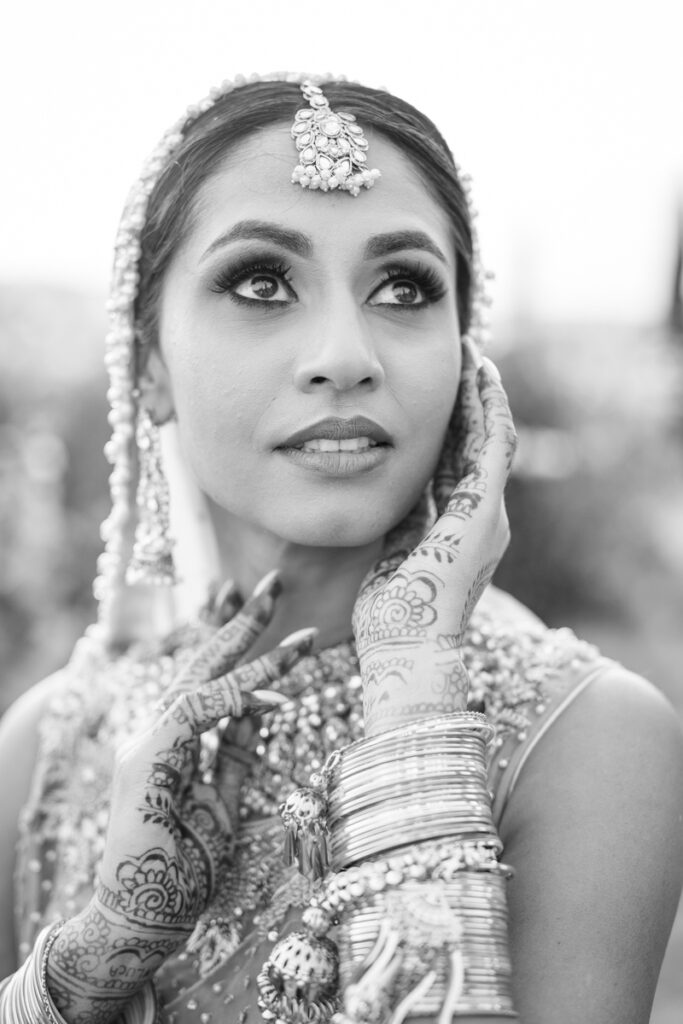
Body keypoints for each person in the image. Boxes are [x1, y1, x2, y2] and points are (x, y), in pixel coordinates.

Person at [0, 73, 681, 1024]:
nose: (345, 352)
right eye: (262, 282)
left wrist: (411, 698)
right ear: (149, 367)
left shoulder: (588, 740)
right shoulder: (47, 748)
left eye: (402, 286)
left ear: (464, 361)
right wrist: (96, 958)